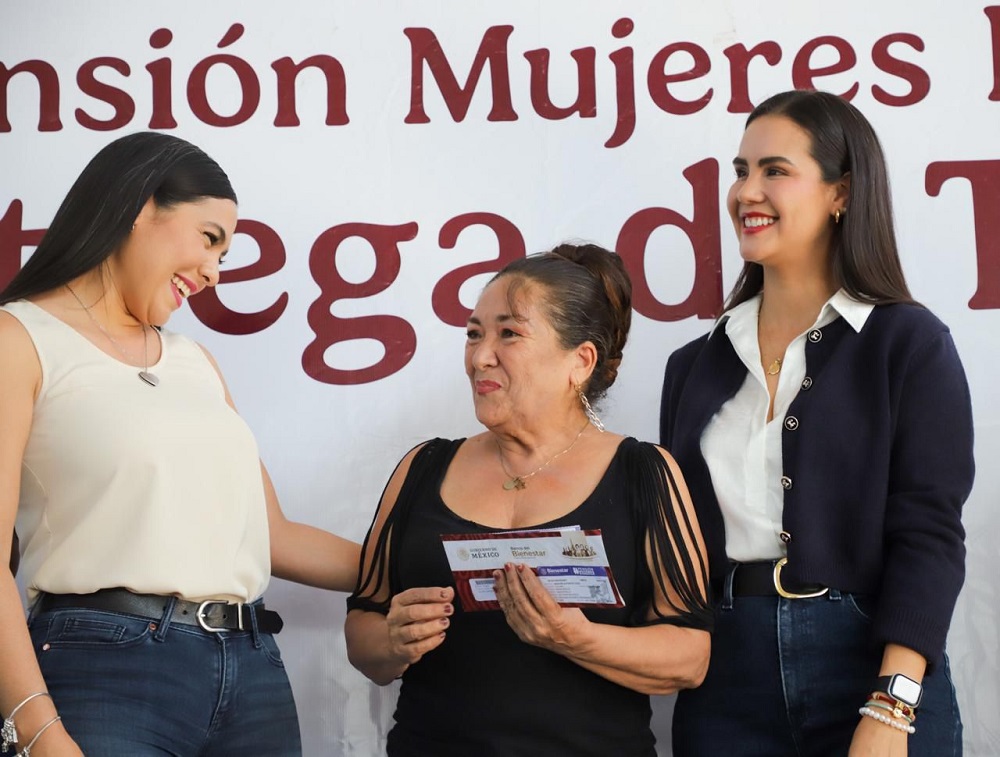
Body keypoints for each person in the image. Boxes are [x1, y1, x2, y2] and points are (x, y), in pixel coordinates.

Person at [0, 132, 360, 757]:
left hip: (253, 672)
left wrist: (427, 558)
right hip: (104, 671)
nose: (215, 272)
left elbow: (272, 535)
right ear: (140, 206)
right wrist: (39, 731)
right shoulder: (19, 338)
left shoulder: (195, 361)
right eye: (210, 239)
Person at [660, 90, 974, 756]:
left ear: (841, 193)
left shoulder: (908, 343)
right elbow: (675, 546)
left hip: (869, 666)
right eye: (741, 170)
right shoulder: (692, 366)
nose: (746, 190)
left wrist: (893, 705)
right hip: (724, 679)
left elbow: (929, 534)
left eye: (775, 170)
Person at [345, 243, 714, 756]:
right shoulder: (423, 466)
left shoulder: (643, 473)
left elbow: (689, 658)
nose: (479, 357)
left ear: (580, 361)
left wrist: (571, 636)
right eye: (474, 334)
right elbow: (363, 630)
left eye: (509, 334)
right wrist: (391, 641)